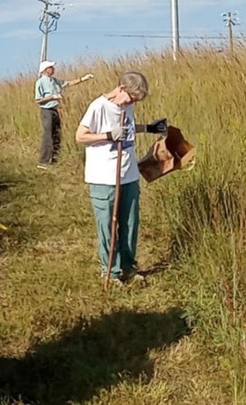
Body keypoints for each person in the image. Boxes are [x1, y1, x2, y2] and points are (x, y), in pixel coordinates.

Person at [74, 71, 167, 285]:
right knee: (107, 225)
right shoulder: (98, 107)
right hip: (104, 177)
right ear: (121, 88)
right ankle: (111, 271)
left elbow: (128, 130)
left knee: (130, 223)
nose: (132, 102)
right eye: (131, 98)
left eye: (136, 100)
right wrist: (107, 135)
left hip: (129, 175)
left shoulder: (128, 107)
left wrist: (150, 128)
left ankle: (128, 267)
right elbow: (80, 136)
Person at [34, 60, 95, 169]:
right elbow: (38, 100)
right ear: (45, 70)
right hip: (47, 110)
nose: (53, 69)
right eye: (51, 67)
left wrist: (83, 78)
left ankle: (54, 159)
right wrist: (52, 97)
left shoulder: (55, 81)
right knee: (48, 135)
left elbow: (68, 83)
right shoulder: (40, 82)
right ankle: (44, 162)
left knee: (57, 133)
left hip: (56, 109)